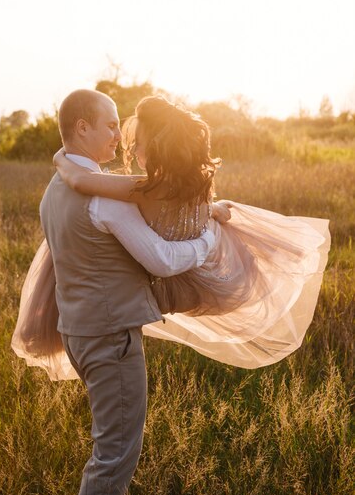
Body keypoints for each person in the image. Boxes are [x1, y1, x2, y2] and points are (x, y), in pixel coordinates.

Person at [12, 89, 217, 495]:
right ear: (81, 127)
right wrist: (211, 236)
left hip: (79, 335)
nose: (116, 135)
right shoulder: (102, 198)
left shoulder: (54, 189)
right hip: (110, 340)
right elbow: (164, 261)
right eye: (107, 125)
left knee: (113, 445)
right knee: (115, 454)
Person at [52, 95, 331, 369]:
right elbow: (178, 211)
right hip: (222, 273)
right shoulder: (193, 185)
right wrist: (211, 209)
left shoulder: (145, 189)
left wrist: (60, 158)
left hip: (197, 271)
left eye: (139, 143)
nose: (134, 150)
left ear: (156, 147)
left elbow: (79, 179)